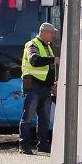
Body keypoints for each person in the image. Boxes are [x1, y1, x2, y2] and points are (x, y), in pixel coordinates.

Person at [19, 22, 57, 154]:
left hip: (45, 87)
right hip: (33, 86)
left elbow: (49, 69)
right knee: (28, 117)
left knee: (44, 119)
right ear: (44, 32)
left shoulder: (47, 47)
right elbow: (34, 60)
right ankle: (24, 145)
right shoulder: (32, 44)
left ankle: (42, 145)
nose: (53, 35)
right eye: (52, 32)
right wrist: (52, 60)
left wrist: (52, 85)